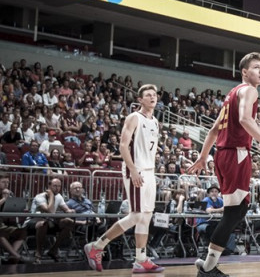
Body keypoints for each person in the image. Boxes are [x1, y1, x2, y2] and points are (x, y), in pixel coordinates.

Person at [189, 52, 260, 277]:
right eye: (255, 67)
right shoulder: (250, 90)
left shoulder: (232, 93)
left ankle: (208, 265)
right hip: (235, 154)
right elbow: (244, 119)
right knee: (235, 212)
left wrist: (204, 156)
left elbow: (214, 129)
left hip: (222, 155)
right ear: (244, 72)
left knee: (236, 210)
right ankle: (208, 267)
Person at [83, 84, 164, 273]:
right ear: (140, 99)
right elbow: (122, 146)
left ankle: (141, 260)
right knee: (136, 214)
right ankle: (97, 246)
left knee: (146, 216)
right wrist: (133, 170)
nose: (153, 97)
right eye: (148, 95)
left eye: (155, 94)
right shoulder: (134, 117)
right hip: (136, 170)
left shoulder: (156, 121)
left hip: (150, 171)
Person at [24, 177, 75, 263]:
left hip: (49, 221)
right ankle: (38, 252)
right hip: (33, 221)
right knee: (43, 223)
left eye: (59, 186)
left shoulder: (59, 196)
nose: (57, 188)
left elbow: (66, 210)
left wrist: (71, 211)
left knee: (68, 223)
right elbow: (49, 211)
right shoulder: (40, 197)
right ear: (49, 186)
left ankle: (53, 250)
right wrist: (51, 196)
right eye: (55, 186)